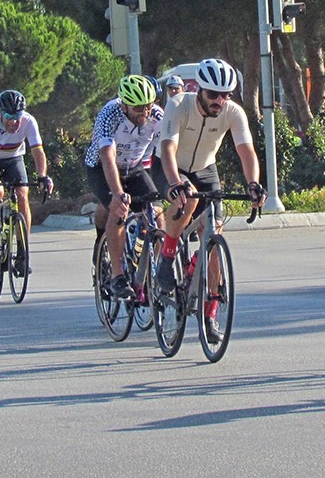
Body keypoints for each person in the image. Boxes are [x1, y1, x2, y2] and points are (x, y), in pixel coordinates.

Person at [153, 58, 266, 341]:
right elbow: (167, 147)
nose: (219, 100)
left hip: (206, 167)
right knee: (187, 198)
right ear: (200, 90)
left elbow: (246, 151)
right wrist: (175, 183)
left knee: (214, 235)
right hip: (168, 165)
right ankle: (167, 257)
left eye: (225, 95)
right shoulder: (179, 104)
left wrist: (253, 184)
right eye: (213, 94)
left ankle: (210, 314)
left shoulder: (233, 112)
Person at [83, 75, 165, 299]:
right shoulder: (109, 115)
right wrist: (118, 194)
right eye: (138, 108)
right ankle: (118, 276)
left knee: (157, 216)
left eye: (148, 106)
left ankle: (154, 272)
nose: (145, 113)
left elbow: (166, 151)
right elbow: (108, 157)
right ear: (124, 105)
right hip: (101, 167)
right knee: (117, 208)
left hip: (134, 166)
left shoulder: (157, 116)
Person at [0, 90, 53, 276]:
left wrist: (42, 175)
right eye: (9, 116)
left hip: (13, 158)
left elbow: (37, 151)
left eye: (17, 116)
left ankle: (22, 253)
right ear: (1, 113)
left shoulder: (29, 121)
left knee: (22, 196)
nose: (14, 122)